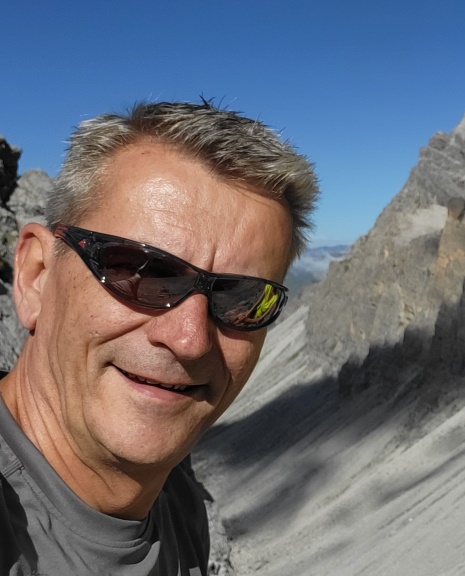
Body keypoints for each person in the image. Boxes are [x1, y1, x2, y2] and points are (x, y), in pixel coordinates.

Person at [0, 101, 318, 574]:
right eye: (142, 271)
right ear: (37, 277)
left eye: (243, 298)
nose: (190, 340)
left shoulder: (178, 501)